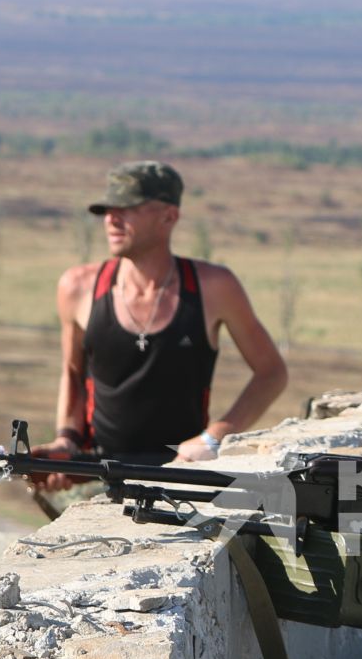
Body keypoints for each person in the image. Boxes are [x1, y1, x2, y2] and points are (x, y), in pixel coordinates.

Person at [28, 161, 288, 508]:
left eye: (127, 208)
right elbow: (73, 374)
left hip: (182, 477)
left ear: (169, 216)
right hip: (98, 473)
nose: (111, 219)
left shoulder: (212, 287)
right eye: (107, 210)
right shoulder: (78, 287)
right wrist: (66, 442)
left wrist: (213, 439)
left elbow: (271, 372)